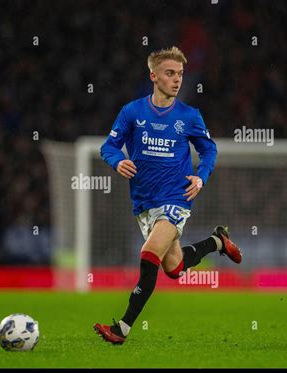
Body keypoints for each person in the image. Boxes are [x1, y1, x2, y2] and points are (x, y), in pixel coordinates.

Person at [94, 47, 242, 344]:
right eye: (170, 73)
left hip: (176, 198)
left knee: (148, 255)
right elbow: (108, 147)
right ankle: (217, 241)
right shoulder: (132, 112)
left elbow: (208, 149)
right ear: (154, 76)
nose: (176, 80)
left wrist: (201, 177)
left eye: (180, 75)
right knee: (173, 268)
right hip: (144, 203)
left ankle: (122, 328)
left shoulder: (189, 116)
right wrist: (117, 160)